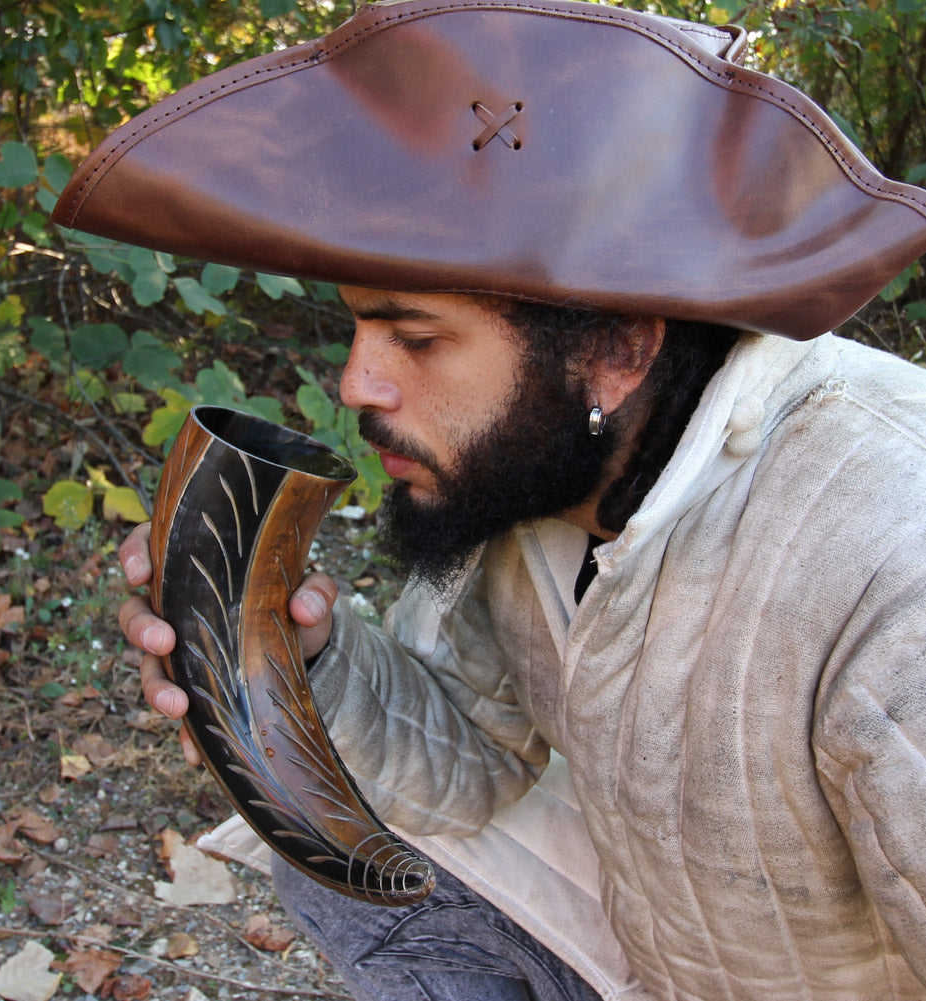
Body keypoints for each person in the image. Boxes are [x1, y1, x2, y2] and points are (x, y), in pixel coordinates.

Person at [54, 1, 926, 998]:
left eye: (416, 341)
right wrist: (309, 667)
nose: (354, 386)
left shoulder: (893, 562)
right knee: (344, 872)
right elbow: (474, 759)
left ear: (615, 350)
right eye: (357, 331)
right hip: (656, 956)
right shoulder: (535, 477)